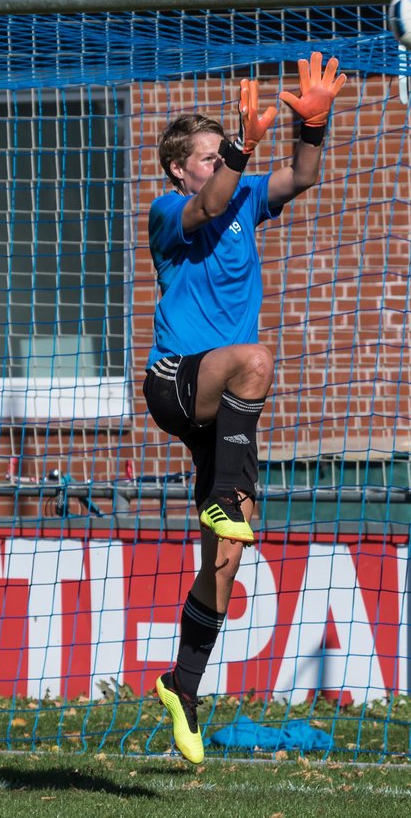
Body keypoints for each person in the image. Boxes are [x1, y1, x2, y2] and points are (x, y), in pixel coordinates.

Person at [143, 52, 347, 764]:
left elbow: (302, 176)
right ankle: (226, 493)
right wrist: (239, 144)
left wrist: (312, 125)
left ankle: (182, 686)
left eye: (219, 154)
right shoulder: (171, 212)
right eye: (206, 156)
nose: (218, 164)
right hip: (175, 383)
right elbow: (206, 206)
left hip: (221, 408)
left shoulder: (249, 199)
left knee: (227, 558)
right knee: (256, 358)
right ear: (180, 169)